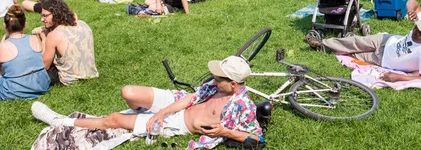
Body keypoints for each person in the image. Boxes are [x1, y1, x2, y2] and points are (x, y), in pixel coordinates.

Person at [31, 55, 263, 148]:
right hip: (176, 102)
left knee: (113, 120)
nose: (214, 77)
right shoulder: (215, 86)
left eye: (219, 77)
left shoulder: (243, 107)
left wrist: (226, 132)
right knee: (128, 92)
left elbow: (256, 138)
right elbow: (190, 99)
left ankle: (60, 121)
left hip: (178, 124)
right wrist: (159, 113)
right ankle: (138, 117)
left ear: (233, 84)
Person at [306, 0, 421, 81]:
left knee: (350, 53)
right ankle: (322, 44)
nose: (415, 32)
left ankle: (323, 47)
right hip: (386, 40)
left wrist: (399, 77)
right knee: (355, 43)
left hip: (382, 60)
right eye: (416, 28)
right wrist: (411, 10)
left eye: (420, 33)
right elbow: (413, 1)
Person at [35, 0, 99, 85]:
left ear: (55, 14)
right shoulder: (83, 24)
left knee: (35, 73)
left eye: (45, 15)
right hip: (91, 75)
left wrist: (44, 39)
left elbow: (44, 66)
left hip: (69, 80)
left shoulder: (54, 35)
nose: (42, 19)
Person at [0, 5, 51, 100]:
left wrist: (5, 36)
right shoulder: (35, 39)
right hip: (42, 85)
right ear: (25, 24)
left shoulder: (3, 46)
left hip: (14, 91)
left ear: (4, 26)